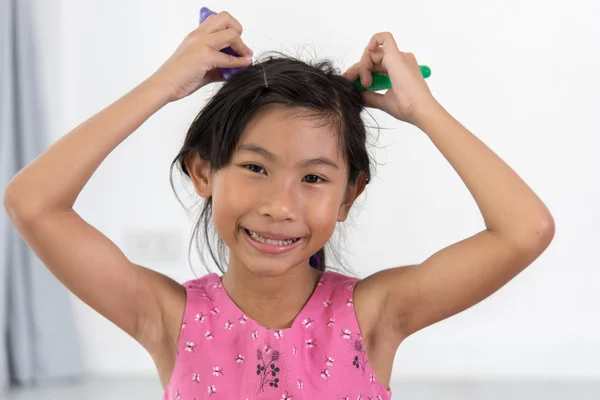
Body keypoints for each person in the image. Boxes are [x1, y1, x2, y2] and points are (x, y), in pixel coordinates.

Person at [3, 10, 555, 400]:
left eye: (314, 177)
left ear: (349, 196)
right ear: (203, 172)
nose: (280, 205)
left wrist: (424, 109)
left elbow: (525, 229)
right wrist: (164, 85)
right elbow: (32, 202)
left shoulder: (375, 315)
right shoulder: (169, 319)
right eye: (255, 167)